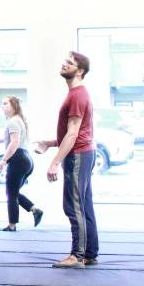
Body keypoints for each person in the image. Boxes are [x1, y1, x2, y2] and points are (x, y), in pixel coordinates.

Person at [35, 51, 99, 268]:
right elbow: (74, 133)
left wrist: (55, 162)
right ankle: (89, 253)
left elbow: (73, 135)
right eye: (65, 61)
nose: (64, 65)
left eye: (69, 63)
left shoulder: (77, 96)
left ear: (80, 71)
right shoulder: (77, 94)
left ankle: (77, 256)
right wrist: (50, 143)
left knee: (73, 206)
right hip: (83, 152)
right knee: (84, 205)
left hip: (78, 155)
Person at [0, 96, 42, 231]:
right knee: (14, 192)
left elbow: (15, 142)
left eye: (5, 103)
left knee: (11, 194)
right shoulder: (19, 120)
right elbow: (18, 140)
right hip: (26, 159)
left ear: (14, 106)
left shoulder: (12, 122)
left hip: (18, 159)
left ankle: (12, 225)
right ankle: (34, 210)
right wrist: (3, 140)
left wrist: (4, 160)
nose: (2, 106)